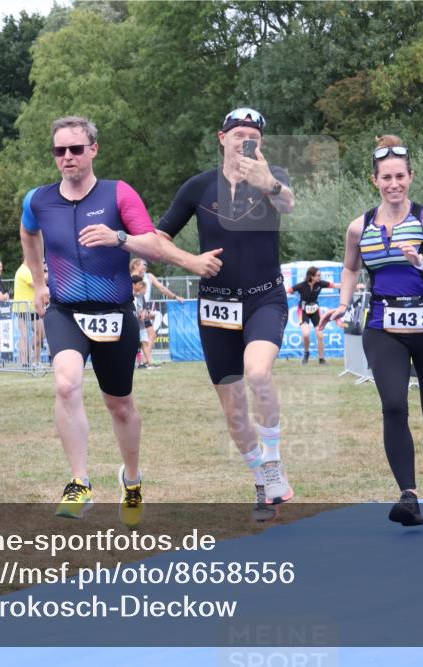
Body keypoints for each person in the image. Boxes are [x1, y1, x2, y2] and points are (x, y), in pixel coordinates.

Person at [20, 115, 162, 527]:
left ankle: (131, 480)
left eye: (75, 149)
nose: (67, 157)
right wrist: (41, 281)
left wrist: (117, 238)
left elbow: (151, 244)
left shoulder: (119, 194)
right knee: (66, 383)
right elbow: (29, 234)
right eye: (59, 150)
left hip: (114, 312)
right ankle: (79, 481)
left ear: (93, 150)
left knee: (120, 405)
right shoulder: (39, 199)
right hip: (65, 309)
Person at [155, 106, 295, 520]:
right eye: (238, 133)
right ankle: (261, 482)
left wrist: (268, 182)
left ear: (261, 143)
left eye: (253, 134)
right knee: (233, 410)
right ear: (222, 138)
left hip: (263, 297)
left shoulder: (275, 178)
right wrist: (189, 262)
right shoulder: (199, 187)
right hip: (216, 305)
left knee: (258, 372)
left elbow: (288, 204)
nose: (245, 140)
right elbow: (158, 237)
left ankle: (273, 463)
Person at [320, 136, 423, 527]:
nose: (394, 183)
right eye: (386, 177)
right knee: (394, 405)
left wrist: (422, 262)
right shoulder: (359, 227)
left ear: (411, 177)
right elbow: (350, 268)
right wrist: (345, 304)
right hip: (384, 327)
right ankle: (408, 496)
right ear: (375, 180)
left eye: (400, 176)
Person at [130, 257, 185, 364]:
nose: (145, 266)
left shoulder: (148, 276)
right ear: (135, 265)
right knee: (139, 337)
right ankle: (144, 360)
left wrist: (175, 297)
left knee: (149, 335)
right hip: (134, 310)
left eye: (146, 265)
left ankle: (146, 360)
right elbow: (133, 295)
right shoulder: (131, 278)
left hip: (143, 309)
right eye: (143, 264)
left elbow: (161, 288)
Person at [287, 266, 338, 365]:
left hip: (315, 311)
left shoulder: (320, 284)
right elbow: (288, 290)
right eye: (318, 275)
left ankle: (321, 359)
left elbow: (336, 285)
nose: (320, 277)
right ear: (311, 276)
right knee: (306, 334)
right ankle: (306, 354)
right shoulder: (302, 285)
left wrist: (354, 286)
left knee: (320, 335)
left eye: (320, 275)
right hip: (303, 311)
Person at [13, 260, 44, 366]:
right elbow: (36, 284)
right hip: (23, 308)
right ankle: (24, 362)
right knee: (24, 336)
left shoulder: (30, 270)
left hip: (33, 307)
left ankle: (36, 360)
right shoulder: (24, 271)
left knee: (40, 334)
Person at [131, 274, 155, 368]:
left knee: (144, 342)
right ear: (134, 284)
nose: (141, 285)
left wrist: (144, 312)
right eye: (140, 283)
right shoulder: (127, 295)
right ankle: (138, 363)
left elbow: (145, 307)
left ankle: (149, 363)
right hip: (132, 324)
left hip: (141, 324)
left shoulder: (141, 295)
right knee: (133, 345)